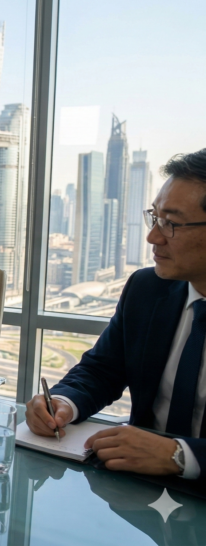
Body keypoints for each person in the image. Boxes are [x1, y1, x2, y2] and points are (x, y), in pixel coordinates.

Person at [25, 149, 206, 483]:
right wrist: (64, 402)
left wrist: (181, 456)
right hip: (136, 488)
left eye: (171, 224)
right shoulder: (146, 288)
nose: (153, 237)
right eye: (154, 217)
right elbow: (102, 369)